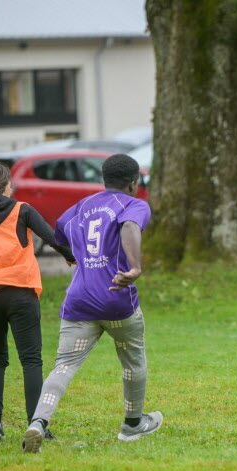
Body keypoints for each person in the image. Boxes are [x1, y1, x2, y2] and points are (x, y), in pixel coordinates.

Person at [22, 154, 162, 453]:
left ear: (104, 179)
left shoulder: (83, 206)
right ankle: (133, 424)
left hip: (79, 301)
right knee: (132, 360)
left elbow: (58, 232)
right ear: (134, 182)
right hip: (115, 299)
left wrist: (74, 256)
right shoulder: (134, 205)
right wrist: (134, 267)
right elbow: (129, 228)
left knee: (64, 366)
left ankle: (38, 422)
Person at [0, 161, 75, 440]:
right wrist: (71, 256)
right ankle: (35, 424)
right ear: (3, 185)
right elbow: (51, 237)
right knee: (31, 360)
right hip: (21, 290)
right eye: (9, 182)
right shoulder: (22, 209)